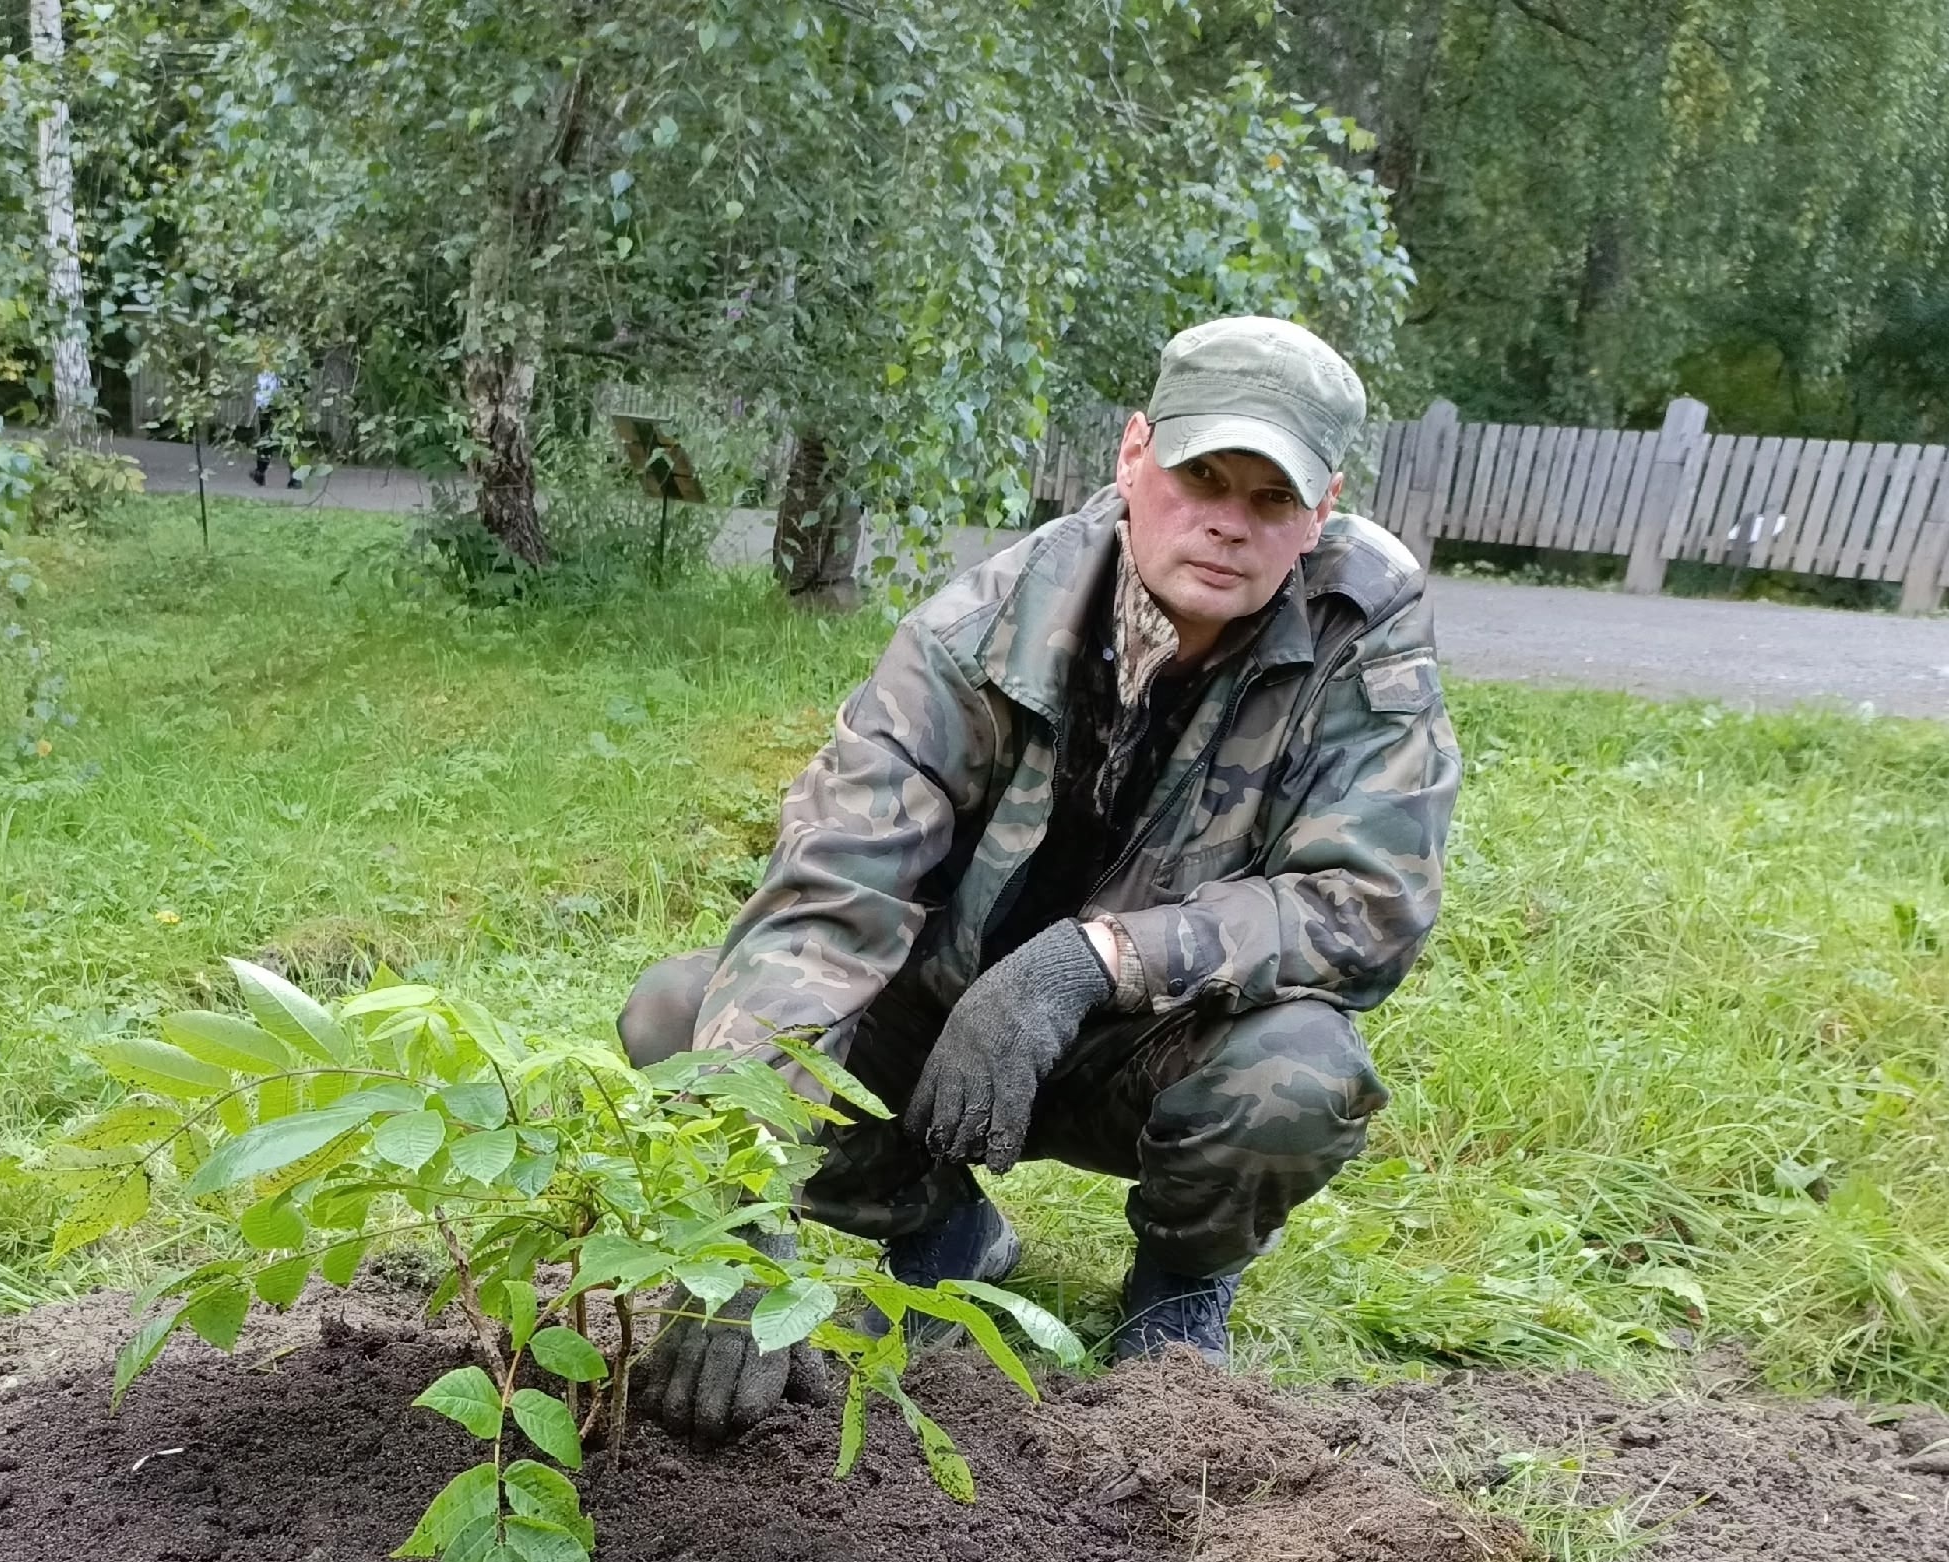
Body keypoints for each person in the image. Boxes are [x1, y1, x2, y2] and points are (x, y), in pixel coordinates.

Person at [622, 316, 1461, 1442]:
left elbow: (1365, 903)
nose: (1226, 520)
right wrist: (732, 1223)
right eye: (1199, 474)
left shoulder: (1362, 632)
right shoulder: (976, 631)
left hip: (1157, 1045)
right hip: (937, 1027)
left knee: (1302, 1075)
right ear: (1132, 455)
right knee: (686, 1017)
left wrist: (1087, 962)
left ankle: (1175, 1292)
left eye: (1271, 498)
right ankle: (940, 1228)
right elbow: (825, 900)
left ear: (1322, 508)